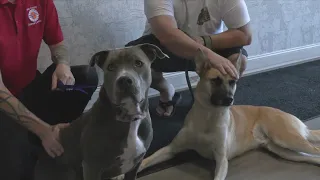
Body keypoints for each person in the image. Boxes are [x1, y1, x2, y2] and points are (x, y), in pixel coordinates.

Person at [0, 0, 98, 179]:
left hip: (29, 87)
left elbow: (56, 43)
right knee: (17, 172)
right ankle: (41, 135)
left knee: (87, 77)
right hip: (3, 103)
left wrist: (63, 64)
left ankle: (57, 134)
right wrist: (42, 129)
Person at [126, 0, 252, 117]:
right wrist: (210, 57)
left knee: (239, 59)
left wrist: (205, 41)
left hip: (209, 43)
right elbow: (168, 35)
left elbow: (245, 35)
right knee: (130, 60)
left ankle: (217, 103)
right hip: (167, 46)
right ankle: (166, 91)